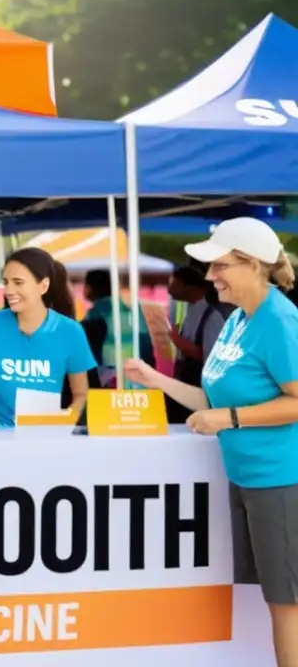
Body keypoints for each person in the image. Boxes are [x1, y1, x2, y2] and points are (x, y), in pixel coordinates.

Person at [124, 218, 298, 665]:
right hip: (248, 478)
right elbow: (213, 399)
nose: (210, 276)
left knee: (286, 603)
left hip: (280, 478)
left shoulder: (279, 320)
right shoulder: (239, 318)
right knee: (270, 600)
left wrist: (231, 418)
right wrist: (156, 379)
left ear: (254, 266)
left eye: (220, 265)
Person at [0, 248, 96, 428]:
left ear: (43, 286)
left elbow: (81, 394)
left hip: (44, 436)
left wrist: (65, 422)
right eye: (6, 282)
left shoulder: (70, 331)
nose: (9, 290)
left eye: (18, 282)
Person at [164, 265, 226, 423]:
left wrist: (176, 339)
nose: (169, 289)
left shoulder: (212, 318)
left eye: (174, 283)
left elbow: (208, 357)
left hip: (198, 391)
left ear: (189, 286)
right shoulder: (191, 312)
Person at [81, 268, 156, 385]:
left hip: (110, 377)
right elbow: (146, 343)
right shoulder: (133, 311)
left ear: (88, 287)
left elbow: (88, 351)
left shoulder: (95, 313)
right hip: (136, 373)